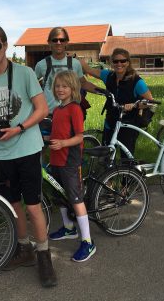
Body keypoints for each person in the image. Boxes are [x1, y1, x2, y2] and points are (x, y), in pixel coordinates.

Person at [0, 23, 57, 288]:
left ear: (6, 45)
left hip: (28, 149)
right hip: (1, 154)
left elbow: (42, 109)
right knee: (13, 205)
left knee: (32, 206)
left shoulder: (24, 73)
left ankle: (44, 255)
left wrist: (19, 128)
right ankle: (25, 250)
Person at [47, 71, 96, 262]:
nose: (60, 89)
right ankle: (69, 228)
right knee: (59, 195)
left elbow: (79, 137)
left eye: (65, 86)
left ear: (73, 89)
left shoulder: (74, 109)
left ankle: (87, 241)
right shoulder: (58, 110)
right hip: (56, 159)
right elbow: (57, 134)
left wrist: (62, 144)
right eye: (58, 86)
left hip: (69, 160)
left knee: (76, 199)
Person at [80, 47, 153, 155]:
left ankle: (128, 171)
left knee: (126, 156)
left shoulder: (137, 82)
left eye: (123, 61)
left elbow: (150, 101)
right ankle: (109, 171)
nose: (119, 64)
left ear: (128, 62)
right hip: (111, 120)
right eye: (116, 61)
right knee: (106, 153)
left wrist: (134, 105)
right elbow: (88, 70)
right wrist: (75, 60)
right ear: (112, 63)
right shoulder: (108, 76)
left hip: (129, 123)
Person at [34, 27, 100, 117]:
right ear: (49, 42)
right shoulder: (41, 65)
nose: (58, 42)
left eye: (62, 40)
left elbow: (83, 83)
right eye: (55, 40)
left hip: (71, 115)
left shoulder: (75, 63)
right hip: (48, 115)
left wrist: (104, 92)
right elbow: (31, 86)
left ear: (66, 42)